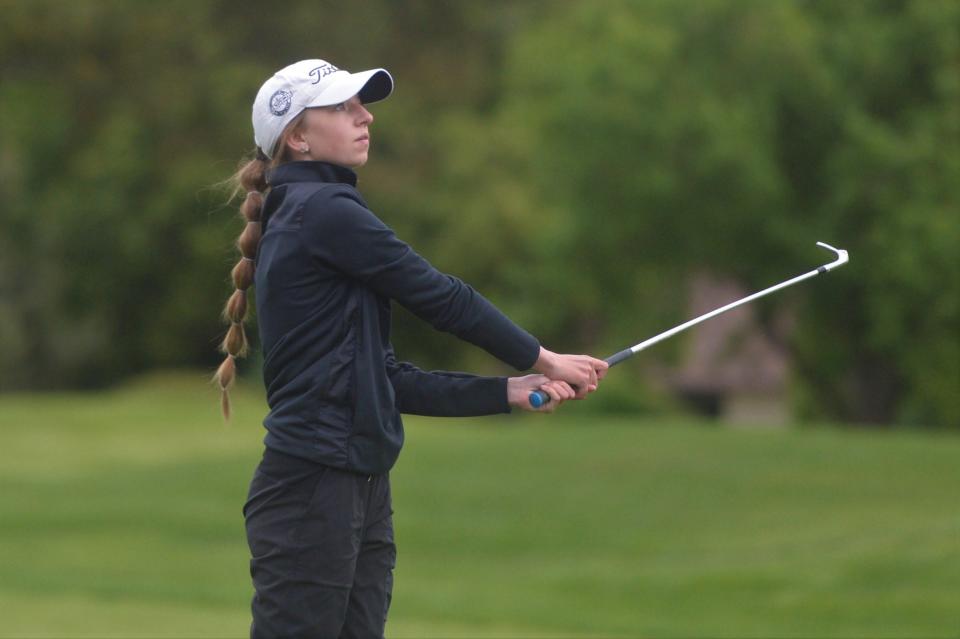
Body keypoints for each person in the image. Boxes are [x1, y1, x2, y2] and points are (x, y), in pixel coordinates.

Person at [213, 59, 608, 639]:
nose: (365, 117)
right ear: (298, 137)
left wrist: (509, 392)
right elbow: (441, 296)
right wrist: (543, 359)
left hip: (359, 486)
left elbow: (385, 379)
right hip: (311, 491)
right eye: (343, 108)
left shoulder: (319, 214)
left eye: (361, 106)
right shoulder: (322, 212)